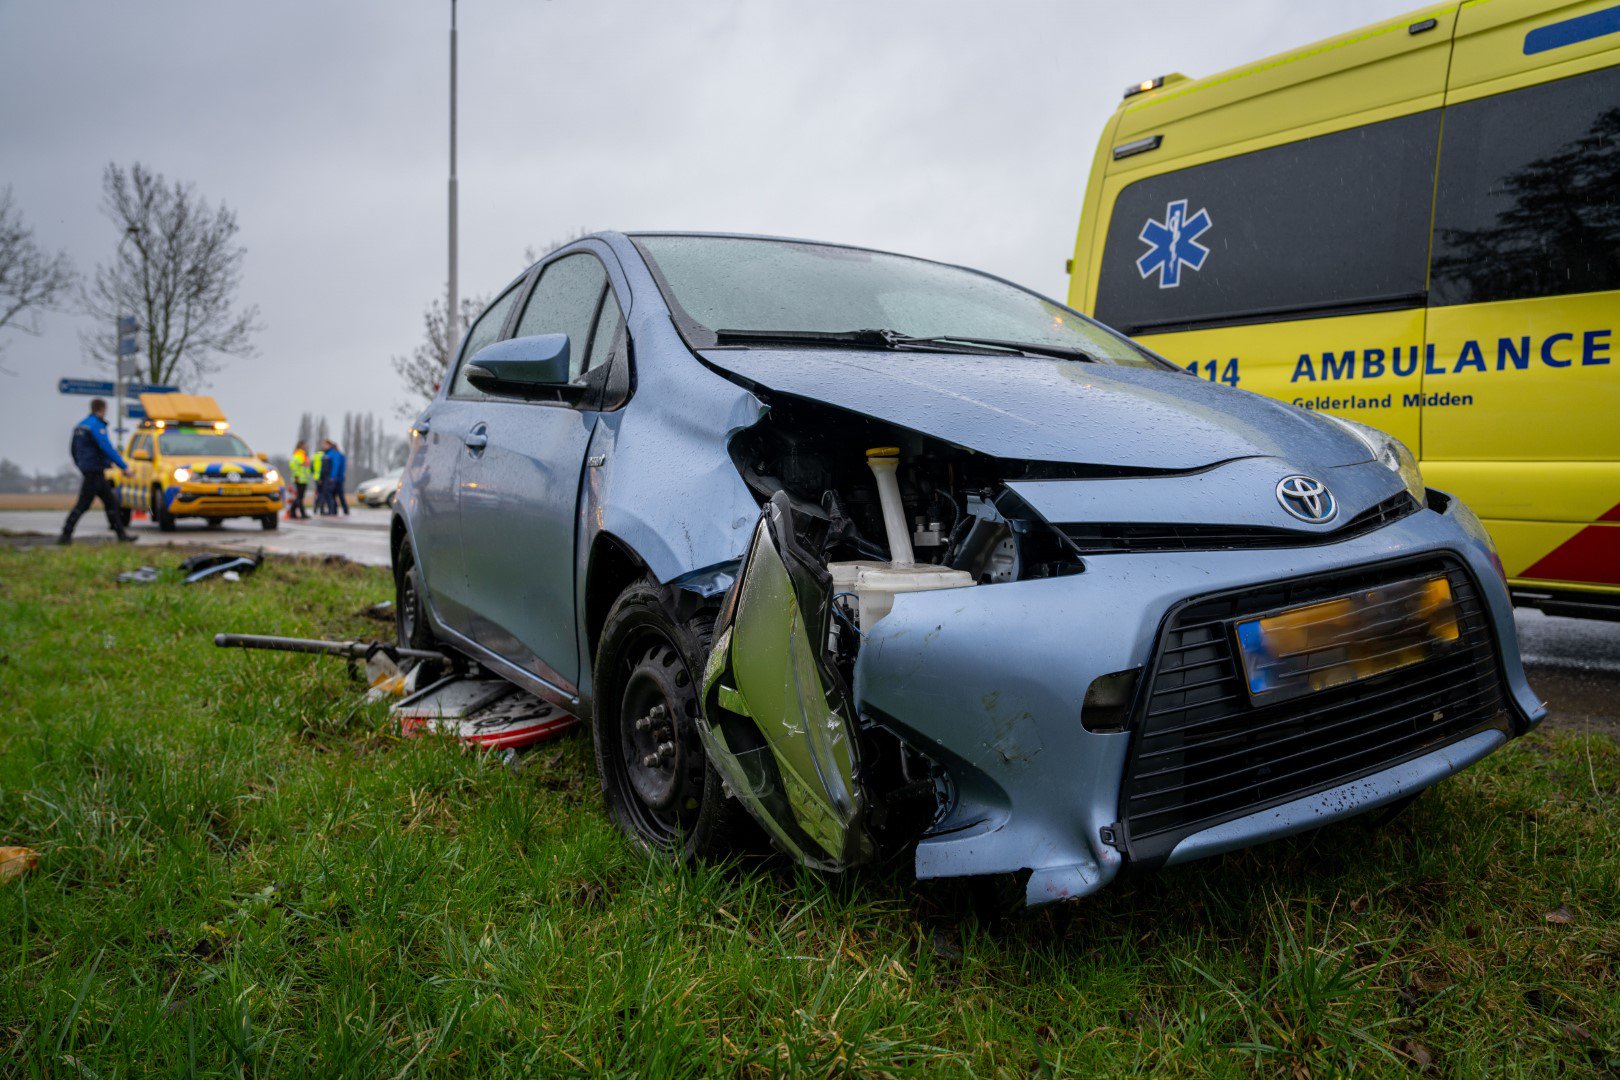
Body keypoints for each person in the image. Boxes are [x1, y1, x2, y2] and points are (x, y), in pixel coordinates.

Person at [59, 398, 137, 545]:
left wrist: (80, 465)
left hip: (92, 471)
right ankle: (65, 534)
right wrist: (124, 467)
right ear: (102, 408)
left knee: (111, 502)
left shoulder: (81, 425)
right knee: (83, 505)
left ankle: (121, 535)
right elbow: (106, 447)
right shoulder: (96, 425)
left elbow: (73, 450)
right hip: (94, 471)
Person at [287, 440, 311, 520]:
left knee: (300, 497)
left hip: (302, 478)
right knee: (300, 497)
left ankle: (293, 512)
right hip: (300, 478)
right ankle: (299, 513)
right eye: (305, 445)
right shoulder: (299, 454)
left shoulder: (302, 454)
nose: (306, 446)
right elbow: (293, 465)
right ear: (301, 445)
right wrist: (297, 475)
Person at [327, 440, 350, 516]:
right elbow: (343, 467)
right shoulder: (341, 455)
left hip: (336, 478)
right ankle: (345, 510)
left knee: (333, 495)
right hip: (340, 478)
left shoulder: (333, 455)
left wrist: (332, 477)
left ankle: (334, 510)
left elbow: (335, 467)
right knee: (340, 495)